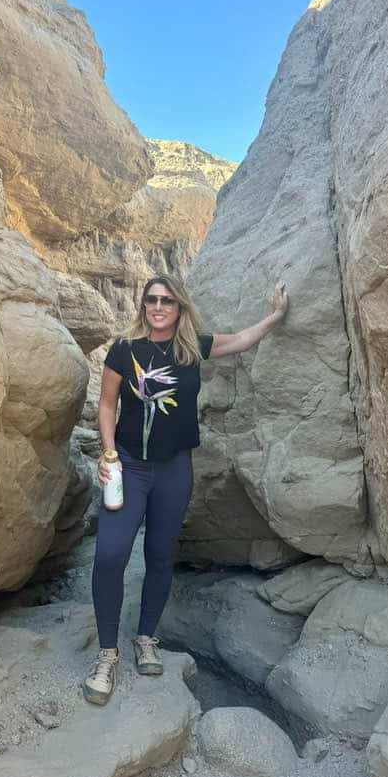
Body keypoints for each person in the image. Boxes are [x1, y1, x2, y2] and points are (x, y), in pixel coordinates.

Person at [82, 273, 289, 705]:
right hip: (129, 469)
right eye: (152, 300)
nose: (158, 307)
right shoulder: (124, 349)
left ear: (180, 309)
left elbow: (243, 340)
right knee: (110, 555)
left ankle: (146, 638)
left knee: (159, 555)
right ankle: (106, 654)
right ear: (143, 305)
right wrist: (107, 454)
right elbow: (106, 404)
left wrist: (275, 317)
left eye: (167, 301)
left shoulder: (192, 349)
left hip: (175, 470)